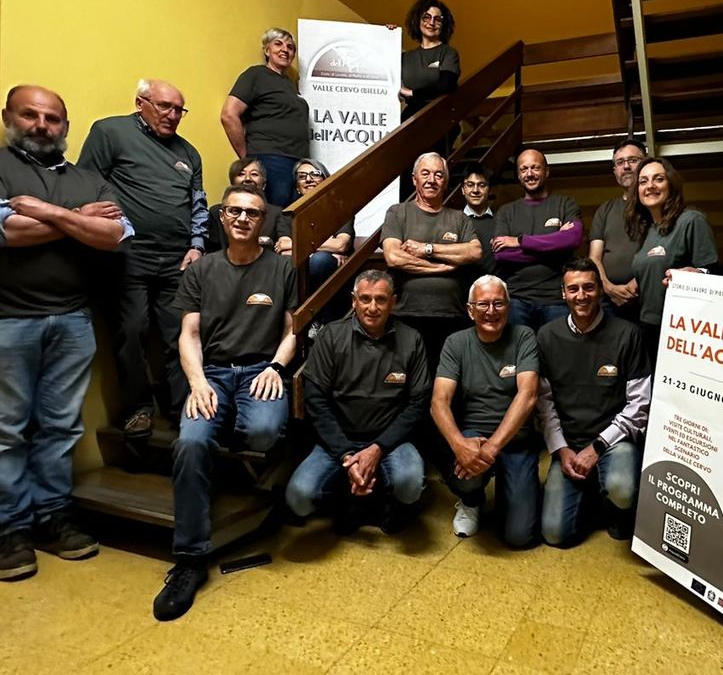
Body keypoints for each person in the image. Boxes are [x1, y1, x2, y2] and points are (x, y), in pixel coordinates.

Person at [0, 85, 132, 581]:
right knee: (6, 430)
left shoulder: (88, 179)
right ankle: (10, 528)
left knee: (60, 426)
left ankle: (53, 516)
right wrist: (79, 221)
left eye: (52, 118)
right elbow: (6, 232)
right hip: (9, 319)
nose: (41, 125)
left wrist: (48, 213)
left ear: (65, 126)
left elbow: (114, 235)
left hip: (73, 318)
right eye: (30, 115)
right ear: (9, 117)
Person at [152, 184, 296, 621]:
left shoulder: (282, 268)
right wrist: (197, 383)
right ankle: (190, 559)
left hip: (260, 369)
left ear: (263, 220)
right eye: (235, 211)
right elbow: (189, 334)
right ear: (222, 216)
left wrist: (276, 368)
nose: (242, 219)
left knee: (264, 431)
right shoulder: (201, 270)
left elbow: (292, 330)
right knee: (191, 443)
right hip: (212, 372)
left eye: (252, 212)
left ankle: (230, 420)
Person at [78, 79, 208, 439]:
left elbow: (198, 204)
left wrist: (197, 245)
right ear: (141, 103)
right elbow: (86, 185)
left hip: (178, 260)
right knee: (131, 331)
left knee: (180, 334)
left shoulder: (189, 153)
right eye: (164, 106)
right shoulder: (110, 132)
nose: (173, 115)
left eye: (179, 109)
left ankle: (184, 410)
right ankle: (138, 409)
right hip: (128, 257)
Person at [285, 270, 429, 534]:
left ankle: (383, 502)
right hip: (338, 441)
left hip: (390, 442)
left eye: (380, 299)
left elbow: (417, 405)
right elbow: (315, 401)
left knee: (409, 486)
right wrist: (346, 455)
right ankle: (348, 496)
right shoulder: (331, 336)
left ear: (393, 302)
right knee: (299, 498)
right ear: (353, 301)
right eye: (365, 299)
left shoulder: (412, 339)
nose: (372, 307)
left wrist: (377, 448)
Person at [536, 259, 651, 547]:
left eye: (588, 287)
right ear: (563, 293)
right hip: (569, 444)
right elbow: (544, 403)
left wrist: (597, 447)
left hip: (614, 442)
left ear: (600, 289)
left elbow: (639, 405)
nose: (581, 295)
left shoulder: (628, 334)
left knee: (621, 490)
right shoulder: (547, 336)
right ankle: (589, 493)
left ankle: (612, 503)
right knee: (554, 534)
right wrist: (560, 449)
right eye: (573, 289)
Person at [431, 275, 540, 547]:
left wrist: (493, 447)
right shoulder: (456, 342)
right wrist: (459, 445)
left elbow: (528, 395)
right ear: (470, 310)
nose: (491, 311)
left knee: (519, 536)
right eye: (483, 304)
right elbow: (439, 401)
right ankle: (471, 500)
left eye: (498, 304)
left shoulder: (524, 336)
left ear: (508, 307)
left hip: (516, 439)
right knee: (466, 475)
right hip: (474, 435)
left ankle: (513, 490)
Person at [381, 152, 481, 372]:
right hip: (406, 315)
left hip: (452, 316)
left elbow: (474, 252)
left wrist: (426, 249)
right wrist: (440, 267)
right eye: (425, 173)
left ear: (445, 182)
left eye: (438, 175)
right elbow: (394, 257)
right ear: (414, 179)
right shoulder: (398, 212)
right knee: (407, 379)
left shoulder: (459, 218)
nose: (431, 180)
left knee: (447, 379)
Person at [625, 157, 718, 364]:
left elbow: (714, 274)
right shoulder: (647, 230)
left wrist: (698, 275)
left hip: (683, 331)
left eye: (658, 179)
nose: (650, 186)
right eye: (643, 181)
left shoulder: (691, 220)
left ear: (671, 184)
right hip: (648, 327)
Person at [492, 149, 583, 330]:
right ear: (518, 175)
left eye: (535, 168)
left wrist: (520, 241)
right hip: (517, 299)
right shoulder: (506, 211)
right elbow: (501, 255)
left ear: (546, 171)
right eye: (524, 169)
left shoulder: (565, 204)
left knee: (556, 347)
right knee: (518, 348)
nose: (529, 174)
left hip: (556, 299)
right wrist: (555, 247)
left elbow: (573, 239)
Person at [221, 27, 310, 207]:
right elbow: (229, 114)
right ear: (267, 50)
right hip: (270, 158)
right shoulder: (256, 74)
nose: (285, 49)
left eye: (290, 47)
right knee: (272, 214)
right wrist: (247, 159)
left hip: (297, 162)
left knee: (290, 216)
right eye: (278, 44)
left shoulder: (290, 84)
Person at [274, 159, 354, 306]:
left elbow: (341, 245)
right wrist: (325, 246)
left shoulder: (341, 210)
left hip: (328, 272)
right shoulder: (287, 215)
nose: (308, 179)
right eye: (302, 176)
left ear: (325, 180)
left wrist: (298, 246)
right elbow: (284, 248)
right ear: (297, 187)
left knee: (320, 260)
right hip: (297, 271)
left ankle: (318, 315)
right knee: (288, 263)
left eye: (315, 174)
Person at [589, 138, 644, 322]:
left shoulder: (654, 207)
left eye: (633, 160)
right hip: (608, 301)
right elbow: (594, 257)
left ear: (645, 164)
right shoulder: (605, 210)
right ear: (615, 171)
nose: (626, 166)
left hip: (646, 297)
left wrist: (637, 284)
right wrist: (608, 287)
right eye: (620, 162)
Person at [399, 0, 460, 123]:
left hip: (439, 117)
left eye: (437, 19)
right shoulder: (406, 57)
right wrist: (388, 34)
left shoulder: (448, 53)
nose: (431, 23)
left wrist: (412, 93)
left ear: (443, 24)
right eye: (426, 17)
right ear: (417, 20)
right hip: (411, 118)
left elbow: (446, 86)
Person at [207, 157, 288, 252]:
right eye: (241, 174)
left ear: (264, 184)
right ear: (232, 183)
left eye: (254, 174)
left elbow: (284, 245)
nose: (248, 178)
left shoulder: (277, 213)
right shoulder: (216, 212)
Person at [460, 163, 496, 275]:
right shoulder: (455, 221)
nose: (475, 190)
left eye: (482, 185)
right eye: (470, 185)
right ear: (463, 190)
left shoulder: (501, 221)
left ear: (490, 190)